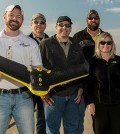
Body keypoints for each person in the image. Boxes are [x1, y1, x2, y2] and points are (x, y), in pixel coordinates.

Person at [40, 16, 89, 134]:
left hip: (73, 96)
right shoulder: (45, 44)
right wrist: (43, 92)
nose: (64, 28)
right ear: (56, 27)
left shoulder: (76, 45)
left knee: (72, 128)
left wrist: (81, 87)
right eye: (61, 25)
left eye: (67, 25)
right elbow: (38, 69)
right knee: (52, 129)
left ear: (70, 28)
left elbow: (83, 68)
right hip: (53, 96)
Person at [0, 5, 42, 134]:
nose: (14, 19)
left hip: (24, 97)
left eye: (18, 17)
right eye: (11, 15)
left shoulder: (31, 43)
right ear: (4, 16)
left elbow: (38, 70)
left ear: (22, 20)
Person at [73, 9, 104, 133]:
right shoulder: (78, 37)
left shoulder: (105, 36)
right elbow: (72, 60)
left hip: (99, 85)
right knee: (77, 120)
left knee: (100, 121)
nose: (93, 20)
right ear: (87, 20)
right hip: (81, 84)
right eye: (90, 18)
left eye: (96, 18)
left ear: (99, 20)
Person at [86, 32, 120, 134]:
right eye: (102, 42)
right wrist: (89, 102)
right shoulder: (92, 62)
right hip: (99, 106)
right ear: (98, 44)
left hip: (117, 105)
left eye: (109, 43)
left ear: (112, 44)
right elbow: (87, 84)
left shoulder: (119, 60)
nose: (105, 45)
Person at [29, 13, 49, 134]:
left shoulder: (52, 42)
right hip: (28, 87)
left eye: (42, 22)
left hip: (45, 88)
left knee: (43, 119)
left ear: (45, 25)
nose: (39, 25)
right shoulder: (24, 41)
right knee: (26, 120)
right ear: (31, 24)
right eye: (36, 22)